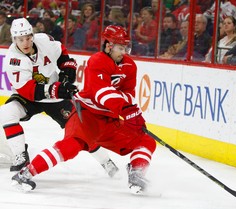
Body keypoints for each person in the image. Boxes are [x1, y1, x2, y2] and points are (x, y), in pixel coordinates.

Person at [11, 25, 156, 195]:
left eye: (125, 47)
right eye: (120, 48)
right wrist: (127, 110)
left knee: (146, 141)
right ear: (109, 46)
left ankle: (136, 174)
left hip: (110, 122)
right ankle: (26, 173)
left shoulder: (129, 65)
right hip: (86, 117)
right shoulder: (97, 61)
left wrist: (131, 111)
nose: (123, 52)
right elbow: (102, 93)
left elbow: (129, 94)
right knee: (70, 148)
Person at [0, 18, 119, 178]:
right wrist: (57, 89)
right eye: (21, 39)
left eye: (28, 37)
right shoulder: (13, 60)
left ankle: (106, 162)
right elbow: (29, 90)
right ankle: (21, 157)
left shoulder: (44, 41)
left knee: (82, 129)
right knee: (7, 113)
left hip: (55, 97)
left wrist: (67, 68)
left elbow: (61, 51)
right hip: (29, 98)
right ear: (14, 39)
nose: (26, 42)